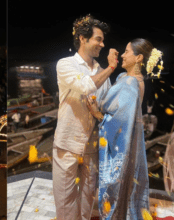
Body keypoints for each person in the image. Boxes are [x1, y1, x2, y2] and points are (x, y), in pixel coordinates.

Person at [52, 14, 118, 220]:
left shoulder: (101, 72)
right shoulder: (65, 64)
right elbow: (84, 86)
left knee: (87, 199)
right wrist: (111, 68)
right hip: (67, 144)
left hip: (92, 147)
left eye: (102, 39)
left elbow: (109, 108)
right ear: (82, 38)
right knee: (65, 200)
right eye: (98, 39)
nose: (102, 43)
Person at [87, 39, 156, 219]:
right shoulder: (124, 78)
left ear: (139, 57)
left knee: (118, 186)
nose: (123, 55)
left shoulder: (131, 83)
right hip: (131, 139)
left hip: (124, 143)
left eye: (127, 52)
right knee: (127, 187)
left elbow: (119, 123)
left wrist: (97, 114)